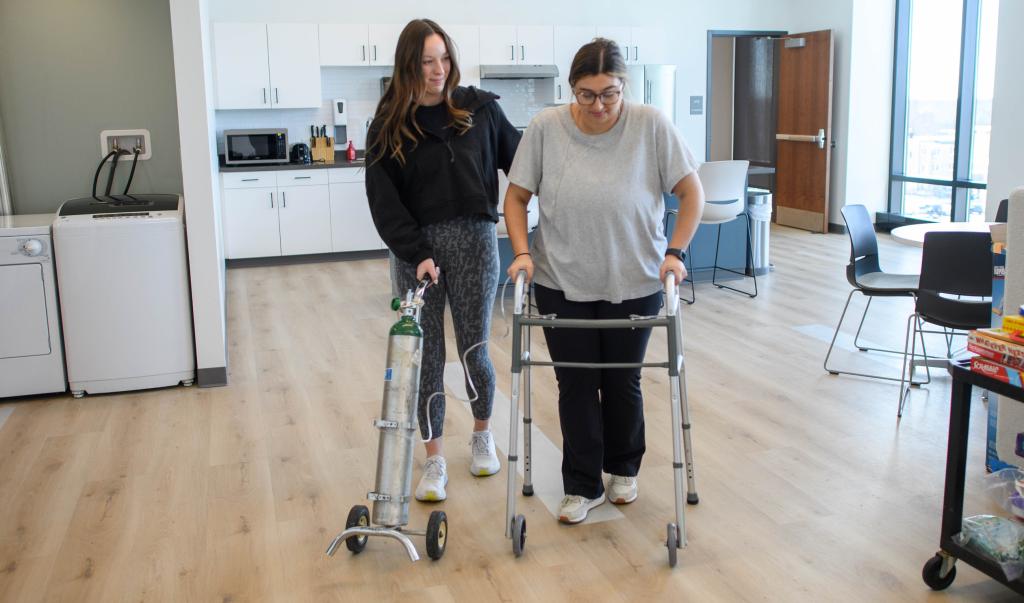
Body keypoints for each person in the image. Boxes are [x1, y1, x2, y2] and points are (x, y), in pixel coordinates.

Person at [503, 38, 705, 524]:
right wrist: (523, 253)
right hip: (560, 279)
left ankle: (622, 469)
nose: (598, 106)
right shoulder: (546, 128)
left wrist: (675, 252)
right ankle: (581, 484)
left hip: (634, 279)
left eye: (609, 94)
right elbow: (515, 198)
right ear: (570, 89)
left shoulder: (651, 124)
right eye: (586, 94)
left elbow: (690, 191)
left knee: (622, 381)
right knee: (575, 383)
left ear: (623, 86)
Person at [365, 19, 521, 502]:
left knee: (475, 347)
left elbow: (524, 160)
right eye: (426, 61)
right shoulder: (389, 123)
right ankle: (433, 460)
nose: (438, 70)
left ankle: (481, 435)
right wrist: (418, 254)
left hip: (476, 243)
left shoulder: (480, 110)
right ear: (409, 66)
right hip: (418, 255)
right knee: (426, 358)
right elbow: (383, 202)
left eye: (444, 59)